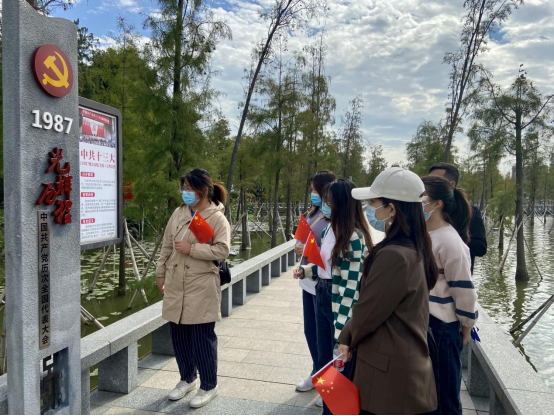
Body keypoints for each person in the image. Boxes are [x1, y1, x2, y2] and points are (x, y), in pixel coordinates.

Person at [338, 167, 439, 416]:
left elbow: (369, 311)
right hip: (404, 364)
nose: (369, 209)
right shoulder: (415, 245)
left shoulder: (393, 255)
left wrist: (345, 339)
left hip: (389, 374)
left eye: (373, 203)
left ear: (391, 208)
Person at [294, 179, 372, 416]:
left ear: (343, 204)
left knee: (340, 361)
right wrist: (306, 271)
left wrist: (343, 331)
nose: (324, 205)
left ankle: (337, 409)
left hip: (337, 300)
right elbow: (326, 265)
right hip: (322, 292)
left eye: (328, 201)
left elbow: (350, 287)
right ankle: (330, 405)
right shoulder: (331, 229)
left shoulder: (353, 237)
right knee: (324, 357)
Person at [156, 169, 231, 409]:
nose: (185, 192)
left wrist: (193, 249)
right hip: (176, 282)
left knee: (201, 339)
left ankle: (209, 385)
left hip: (201, 285)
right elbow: (167, 245)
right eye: (184, 188)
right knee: (179, 336)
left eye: (190, 188)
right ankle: (187, 378)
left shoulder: (216, 218)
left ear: (204, 190)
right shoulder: (179, 212)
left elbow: (222, 250)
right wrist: (160, 272)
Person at [422, 176, 478, 416]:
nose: (416, 202)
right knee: (425, 393)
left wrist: (466, 328)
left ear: (437, 204)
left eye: (421, 197)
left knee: (444, 397)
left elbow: (464, 291)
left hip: (442, 328)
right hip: (422, 323)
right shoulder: (422, 234)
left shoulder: (450, 241)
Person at [295, 171, 337, 408]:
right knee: (311, 331)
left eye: (314, 189)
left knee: (326, 337)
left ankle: (328, 383)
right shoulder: (314, 213)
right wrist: (299, 246)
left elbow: (330, 250)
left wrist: (309, 249)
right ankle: (316, 372)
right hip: (308, 278)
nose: (312, 194)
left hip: (324, 282)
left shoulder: (335, 218)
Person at [429, 163, 487, 273]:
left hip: (458, 275)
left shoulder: (469, 211)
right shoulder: (426, 209)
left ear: (452, 184)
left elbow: (481, 247)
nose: (430, 184)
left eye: (436, 180)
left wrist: (450, 244)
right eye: (429, 180)